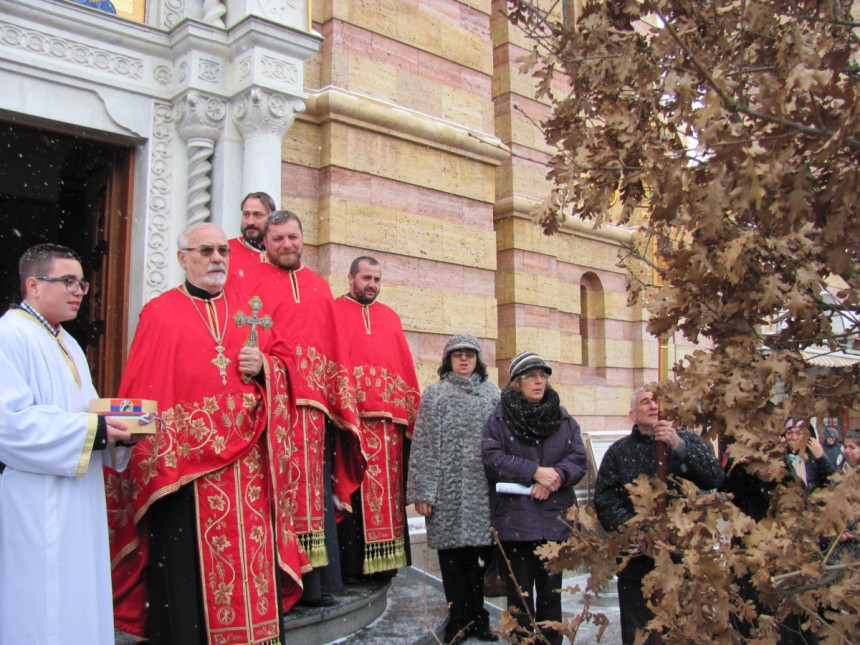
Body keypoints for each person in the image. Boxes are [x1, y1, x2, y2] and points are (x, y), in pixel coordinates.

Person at [106, 223, 308, 645]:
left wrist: (266, 369)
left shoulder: (251, 309)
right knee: (186, 580)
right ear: (183, 258)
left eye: (222, 250)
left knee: (251, 565)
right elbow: (144, 386)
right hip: (185, 478)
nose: (217, 258)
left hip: (249, 471)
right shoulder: (159, 312)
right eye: (205, 250)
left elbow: (290, 367)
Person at [0, 243, 134, 644]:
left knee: (77, 590)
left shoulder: (67, 341)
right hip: (37, 497)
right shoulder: (10, 334)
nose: (79, 291)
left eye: (82, 283)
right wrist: (94, 431)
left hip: (78, 493)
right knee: (44, 601)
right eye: (68, 281)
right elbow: (10, 423)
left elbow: (82, 409)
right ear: (33, 285)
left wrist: (123, 427)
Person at [232, 209, 363, 605]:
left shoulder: (319, 287)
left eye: (292, 237)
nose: (286, 245)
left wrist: (338, 399)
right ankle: (279, 584)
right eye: (277, 240)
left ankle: (317, 585)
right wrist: (270, 371)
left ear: (302, 237)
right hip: (270, 408)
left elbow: (332, 349)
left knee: (315, 495)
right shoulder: (247, 283)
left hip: (313, 411)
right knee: (276, 494)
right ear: (265, 243)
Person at [594, 388, 724, 645]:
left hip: (683, 561)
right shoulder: (619, 453)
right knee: (641, 636)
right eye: (646, 402)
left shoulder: (686, 441)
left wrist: (679, 446)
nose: (654, 406)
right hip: (637, 565)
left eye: (657, 401)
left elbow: (714, 476)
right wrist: (639, 536)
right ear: (633, 414)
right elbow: (606, 502)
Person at [482, 351, 587, 645]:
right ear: (517, 381)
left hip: (554, 522)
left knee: (552, 599)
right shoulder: (500, 418)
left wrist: (553, 477)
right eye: (531, 375)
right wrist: (532, 472)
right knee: (520, 601)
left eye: (543, 375)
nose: (538, 381)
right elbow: (491, 459)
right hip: (517, 523)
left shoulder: (562, 418)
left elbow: (578, 459)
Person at [407, 334, 501, 644]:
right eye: (457, 354)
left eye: (469, 355)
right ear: (448, 359)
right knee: (452, 563)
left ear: (477, 360)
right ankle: (458, 621)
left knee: (479, 560)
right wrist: (423, 493)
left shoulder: (492, 395)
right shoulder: (434, 395)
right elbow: (423, 446)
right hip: (446, 494)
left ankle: (479, 619)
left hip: (482, 495)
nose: (463, 360)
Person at [334, 256, 421, 579]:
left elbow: (403, 369)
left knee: (388, 499)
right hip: (351, 427)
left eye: (377, 279)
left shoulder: (390, 318)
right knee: (352, 494)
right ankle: (352, 569)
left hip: (389, 433)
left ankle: (385, 570)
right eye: (366, 278)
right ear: (350, 278)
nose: (372, 285)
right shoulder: (333, 312)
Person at [227, 191, 276, 280]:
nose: (250, 222)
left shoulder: (281, 254)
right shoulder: (225, 251)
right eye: (246, 215)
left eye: (257, 215)